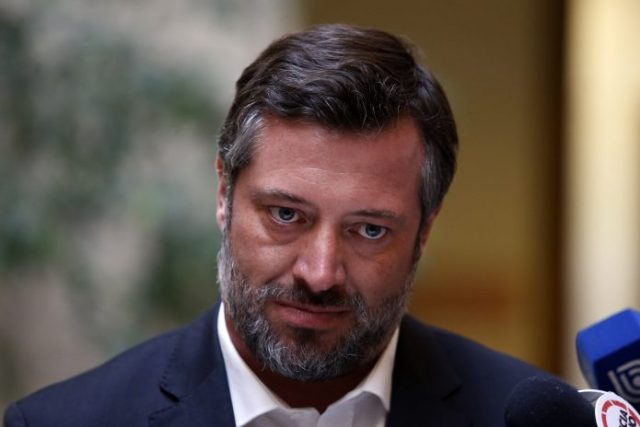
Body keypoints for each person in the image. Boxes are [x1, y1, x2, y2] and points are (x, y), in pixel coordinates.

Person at [4, 24, 553, 427]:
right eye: (286, 215)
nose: (320, 273)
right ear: (224, 195)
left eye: (369, 230)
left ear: (425, 231)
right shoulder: (64, 421)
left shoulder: (522, 418)